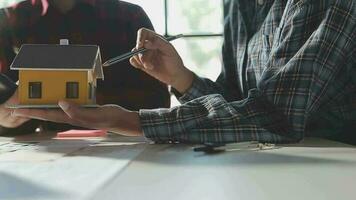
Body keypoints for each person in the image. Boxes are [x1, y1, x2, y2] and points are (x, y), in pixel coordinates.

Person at [13, 0, 356, 144]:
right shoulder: (241, 4)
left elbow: (275, 115)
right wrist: (181, 78)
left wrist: (127, 121)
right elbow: (237, 104)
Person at [0, 0, 170, 135]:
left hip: (126, 148)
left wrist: (91, 102)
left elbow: (158, 106)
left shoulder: (129, 17)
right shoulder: (7, 21)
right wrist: (5, 120)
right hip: (41, 154)